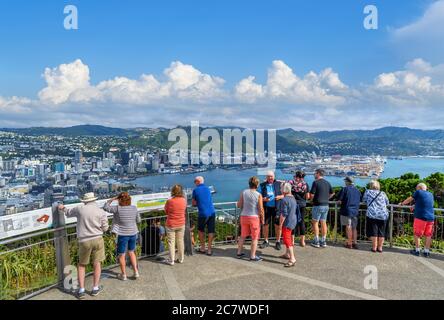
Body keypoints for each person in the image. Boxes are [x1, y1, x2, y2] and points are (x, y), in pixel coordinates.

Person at [58, 192, 109, 299]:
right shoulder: (101, 211)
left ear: (85, 201)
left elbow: (68, 212)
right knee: (97, 263)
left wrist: (62, 207)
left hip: (84, 240)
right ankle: (95, 288)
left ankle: (81, 290)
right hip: (98, 239)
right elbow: (105, 228)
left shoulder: (80, 209)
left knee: (82, 265)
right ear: (94, 200)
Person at [104, 192, 141, 281]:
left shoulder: (117, 209)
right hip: (133, 233)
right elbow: (138, 220)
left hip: (123, 234)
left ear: (119, 200)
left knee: (122, 255)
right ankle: (136, 272)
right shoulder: (134, 208)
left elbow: (105, 207)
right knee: (132, 252)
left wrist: (112, 199)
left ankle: (123, 275)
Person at [401, 183, 435, 258]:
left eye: (416, 188)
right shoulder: (430, 194)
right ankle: (426, 252)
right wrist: (415, 205)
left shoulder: (418, 192)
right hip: (431, 217)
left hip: (421, 217)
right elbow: (425, 203)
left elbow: (410, 199)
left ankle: (417, 251)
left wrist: (402, 203)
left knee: (417, 234)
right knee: (428, 235)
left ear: (419, 188)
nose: (416, 190)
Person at [236, 176, 265, 262]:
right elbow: (261, 209)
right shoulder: (258, 195)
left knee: (242, 236)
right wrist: (262, 219)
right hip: (254, 217)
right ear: (257, 184)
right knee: (254, 237)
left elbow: (239, 205)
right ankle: (252, 256)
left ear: (249, 184)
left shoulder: (243, 192)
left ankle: (239, 252)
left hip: (244, 216)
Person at [307, 169, 334, 248]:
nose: (314, 175)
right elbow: (332, 193)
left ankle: (316, 241)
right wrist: (327, 198)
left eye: (315, 173)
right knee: (323, 223)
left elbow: (311, 194)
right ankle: (323, 241)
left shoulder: (315, 182)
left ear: (318, 174)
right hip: (326, 205)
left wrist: (311, 200)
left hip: (317, 205)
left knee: (315, 222)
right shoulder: (327, 183)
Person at [258, 171, 284, 250]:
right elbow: (258, 197)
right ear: (266, 177)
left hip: (277, 208)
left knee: (278, 225)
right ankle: (266, 241)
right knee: (265, 225)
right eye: (268, 176)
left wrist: (280, 197)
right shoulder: (262, 185)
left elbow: (286, 194)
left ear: (274, 176)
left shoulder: (279, 184)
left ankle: (278, 241)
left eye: (271, 176)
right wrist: (264, 199)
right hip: (266, 208)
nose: (270, 178)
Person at [363, 180, 389, 253]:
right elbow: (387, 202)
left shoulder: (368, 192)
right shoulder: (382, 193)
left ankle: (374, 247)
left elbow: (364, 201)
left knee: (373, 231)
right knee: (382, 232)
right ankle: (380, 248)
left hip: (372, 214)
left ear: (371, 186)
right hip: (383, 214)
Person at [192, 176, 216, 256]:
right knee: (211, 230)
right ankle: (209, 249)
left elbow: (193, 203)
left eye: (195, 181)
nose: (194, 183)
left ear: (198, 182)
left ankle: (203, 248)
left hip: (203, 213)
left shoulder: (195, 190)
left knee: (200, 230)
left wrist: (198, 203)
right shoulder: (208, 189)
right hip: (212, 212)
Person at [164, 184, 187, 266]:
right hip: (181, 223)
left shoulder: (170, 201)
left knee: (171, 242)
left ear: (173, 191)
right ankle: (181, 258)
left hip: (171, 224)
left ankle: (171, 260)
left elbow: (166, 211)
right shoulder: (184, 200)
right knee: (180, 241)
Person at [278, 183, 300, 267]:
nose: (280, 190)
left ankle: (292, 258)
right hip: (293, 220)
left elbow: (284, 214)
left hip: (287, 222)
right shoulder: (293, 198)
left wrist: (280, 224)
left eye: (281, 188)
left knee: (287, 239)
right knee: (288, 237)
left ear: (284, 190)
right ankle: (287, 254)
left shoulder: (284, 200)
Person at [337, 177, 362, 249]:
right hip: (355, 211)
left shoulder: (344, 189)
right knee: (354, 227)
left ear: (347, 182)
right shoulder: (357, 190)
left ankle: (349, 243)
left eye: (345, 181)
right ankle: (355, 243)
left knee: (348, 226)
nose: (344, 182)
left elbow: (339, 199)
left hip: (346, 210)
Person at [289, 171, 308, 247]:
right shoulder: (305, 184)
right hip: (302, 204)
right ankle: (302, 241)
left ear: (296, 176)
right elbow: (308, 196)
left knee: (293, 221)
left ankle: (292, 241)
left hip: (294, 204)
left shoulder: (291, 183)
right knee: (302, 222)